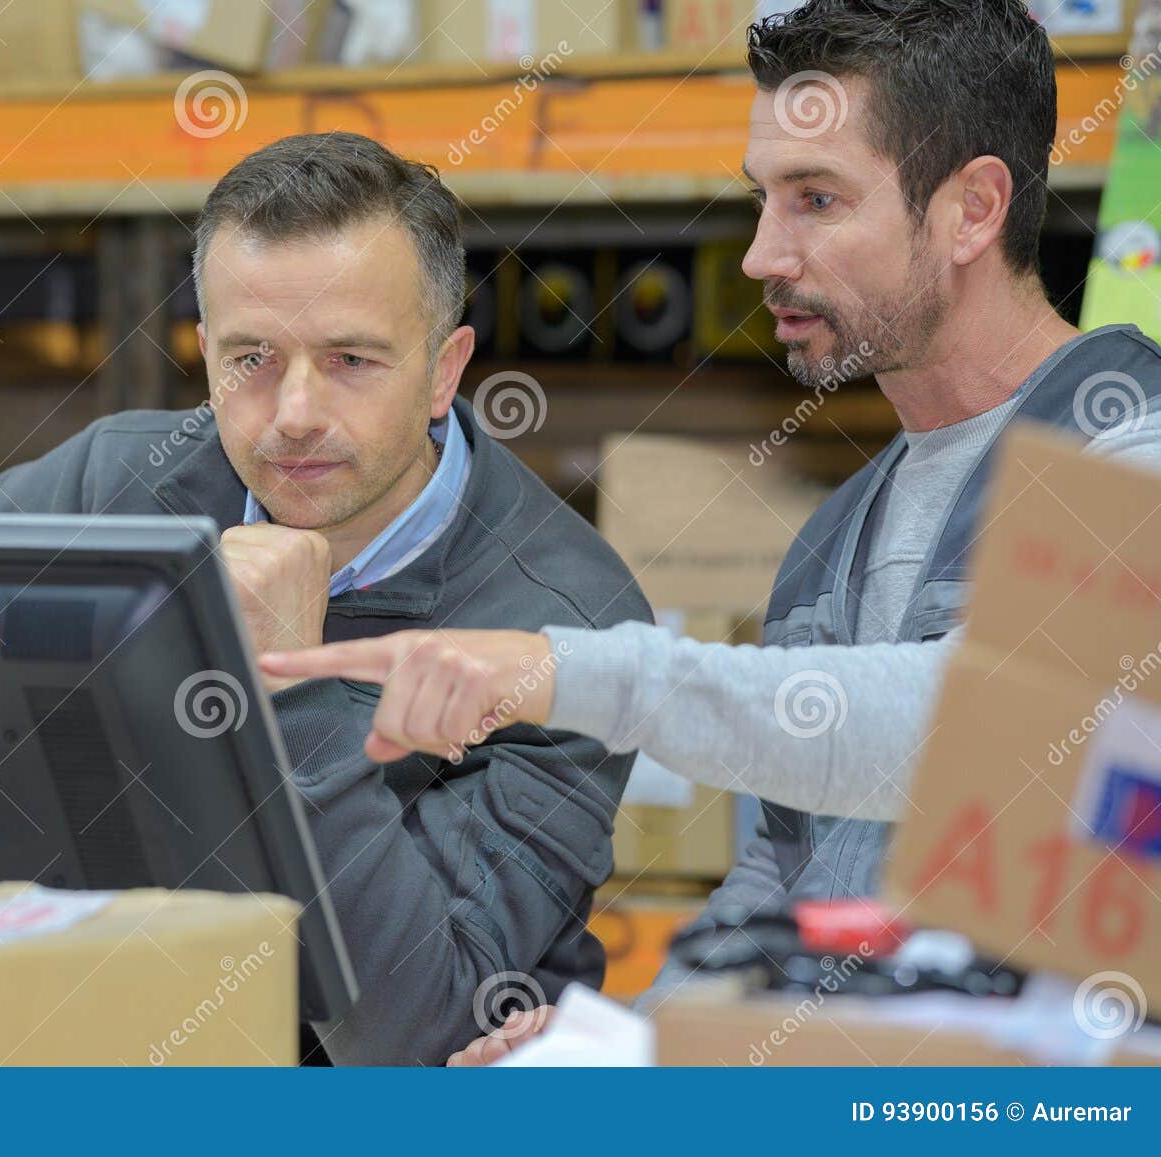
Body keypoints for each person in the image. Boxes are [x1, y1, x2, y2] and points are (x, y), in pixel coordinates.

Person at [259, 0, 1161, 1063]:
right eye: (761, 199)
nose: (761, 254)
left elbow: (979, 733)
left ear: (971, 209)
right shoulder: (833, 538)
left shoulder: (1125, 453)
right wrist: (638, 1043)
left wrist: (575, 671)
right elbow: (779, 876)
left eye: (815, 200)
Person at [0, 131, 653, 1065]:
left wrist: (293, 680)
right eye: (253, 360)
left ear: (444, 370)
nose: (294, 413)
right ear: (205, 356)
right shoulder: (115, 489)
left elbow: (415, 1026)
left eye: (352, 359)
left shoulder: (570, 626)